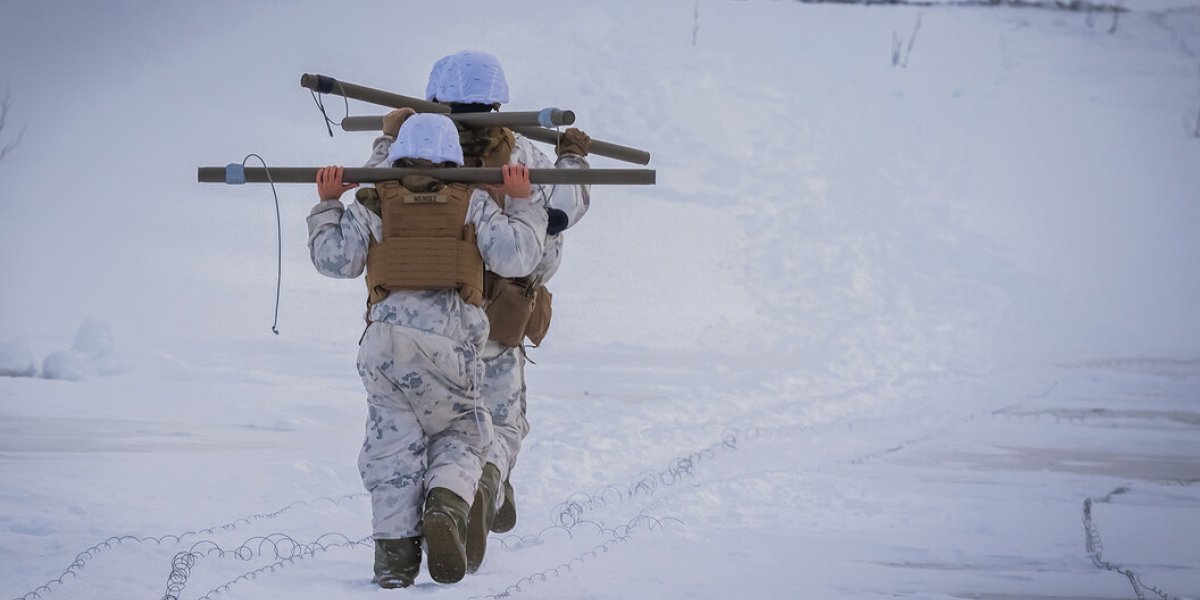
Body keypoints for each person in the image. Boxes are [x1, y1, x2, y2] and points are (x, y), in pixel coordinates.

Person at [366, 50, 593, 573]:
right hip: (500, 312)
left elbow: (370, 192)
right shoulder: (526, 157)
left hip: (420, 313)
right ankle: (485, 485)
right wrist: (573, 160)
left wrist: (389, 136)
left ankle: (408, 541)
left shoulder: (409, 158)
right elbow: (564, 209)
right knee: (497, 424)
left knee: (411, 435)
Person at [307, 113, 547, 587]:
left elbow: (335, 260)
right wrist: (522, 205)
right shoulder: (473, 201)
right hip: (448, 342)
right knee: (464, 431)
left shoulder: (374, 200)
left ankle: (394, 561)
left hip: (383, 344)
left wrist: (328, 204)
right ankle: (446, 503)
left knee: (391, 448)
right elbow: (516, 256)